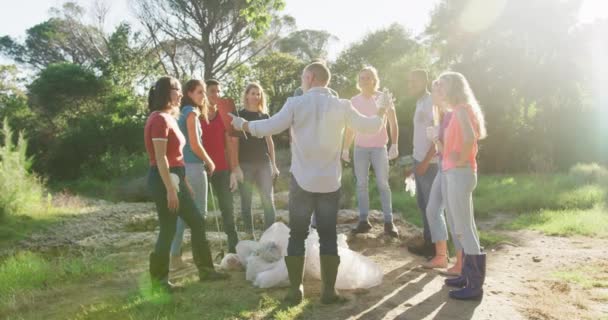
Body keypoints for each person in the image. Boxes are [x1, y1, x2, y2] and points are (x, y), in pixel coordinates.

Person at [230, 62, 386, 305]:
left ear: (310, 77)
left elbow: (267, 128)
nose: (302, 81)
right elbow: (371, 126)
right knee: (327, 236)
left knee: (297, 236)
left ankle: (295, 291)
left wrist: (242, 125)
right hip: (329, 184)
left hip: (301, 182)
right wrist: (383, 109)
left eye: (304, 77)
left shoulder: (296, 103)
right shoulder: (342, 105)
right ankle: (328, 292)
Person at [144, 77, 227, 292]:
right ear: (166, 92)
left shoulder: (169, 117)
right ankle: (159, 282)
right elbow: (160, 159)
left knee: (196, 222)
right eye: (177, 90)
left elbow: (175, 157)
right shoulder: (159, 119)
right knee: (169, 229)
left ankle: (206, 271)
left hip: (176, 178)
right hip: (165, 180)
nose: (181, 94)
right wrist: (171, 189)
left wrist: (184, 182)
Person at [435, 71, 487, 300]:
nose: (440, 88)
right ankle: (467, 275)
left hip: (460, 173)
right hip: (458, 172)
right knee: (466, 227)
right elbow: (456, 142)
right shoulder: (458, 110)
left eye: (443, 85)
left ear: (455, 87)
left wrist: (461, 159)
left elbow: (469, 138)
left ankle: (474, 286)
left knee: (464, 228)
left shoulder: (462, 110)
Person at [343, 66, 400, 237]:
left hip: (379, 148)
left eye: (368, 77)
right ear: (358, 82)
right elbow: (351, 127)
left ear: (374, 80)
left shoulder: (383, 97)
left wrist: (394, 144)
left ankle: (389, 222)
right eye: (362, 78)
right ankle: (363, 220)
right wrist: (345, 147)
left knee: (383, 184)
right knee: (361, 184)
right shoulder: (353, 101)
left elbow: (393, 123)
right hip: (360, 148)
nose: (365, 81)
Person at [169, 79, 216, 270]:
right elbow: (195, 145)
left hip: (182, 168)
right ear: (188, 93)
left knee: (183, 215)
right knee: (200, 214)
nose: (203, 96)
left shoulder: (180, 114)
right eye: (199, 92)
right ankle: (201, 259)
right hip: (194, 168)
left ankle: (175, 257)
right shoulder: (191, 114)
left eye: (204, 92)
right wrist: (210, 161)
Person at [421, 80, 463, 274]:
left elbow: (452, 152)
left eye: (438, 90)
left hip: (451, 168)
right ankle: (441, 256)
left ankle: (461, 261)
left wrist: (436, 139)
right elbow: (441, 151)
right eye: (434, 89)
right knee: (432, 209)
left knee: (454, 215)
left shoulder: (452, 115)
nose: (434, 93)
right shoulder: (439, 114)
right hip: (442, 166)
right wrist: (436, 140)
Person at [233, 83, 279, 235]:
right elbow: (234, 142)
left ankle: (269, 235)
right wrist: (235, 167)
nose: (255, 97)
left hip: (263, 164)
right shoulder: (239, 116)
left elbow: (270, 142)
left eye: (258, 94)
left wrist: (274, 164)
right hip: (244, 164)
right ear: (246, 95)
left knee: (268, 200)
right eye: (252, 93)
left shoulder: (264, 117)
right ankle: (249, 235)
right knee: (246, 202)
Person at [201, 91, 240, 253]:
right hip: (202, 169)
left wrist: (233, 171)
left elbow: (230, 145)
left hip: (222, 169)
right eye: (212, 91)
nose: (216, 94)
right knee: (200, 212)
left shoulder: (223, 117)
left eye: (218, 91)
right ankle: (203, 252)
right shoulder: (196, 117)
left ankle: (233, 249)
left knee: (227, 209)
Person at [407, 69, 438, 258]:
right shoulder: (419, 102)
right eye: (409, 82)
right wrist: (415, 162)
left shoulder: (431, 102)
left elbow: (438, 135)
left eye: (414, 82)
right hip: (419, 159)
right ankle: (429, 242)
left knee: (432, 206)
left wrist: (426, 161)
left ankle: (436, 247)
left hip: (431, 163)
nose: (410, 85)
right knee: (422, 204)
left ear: (424, 81)